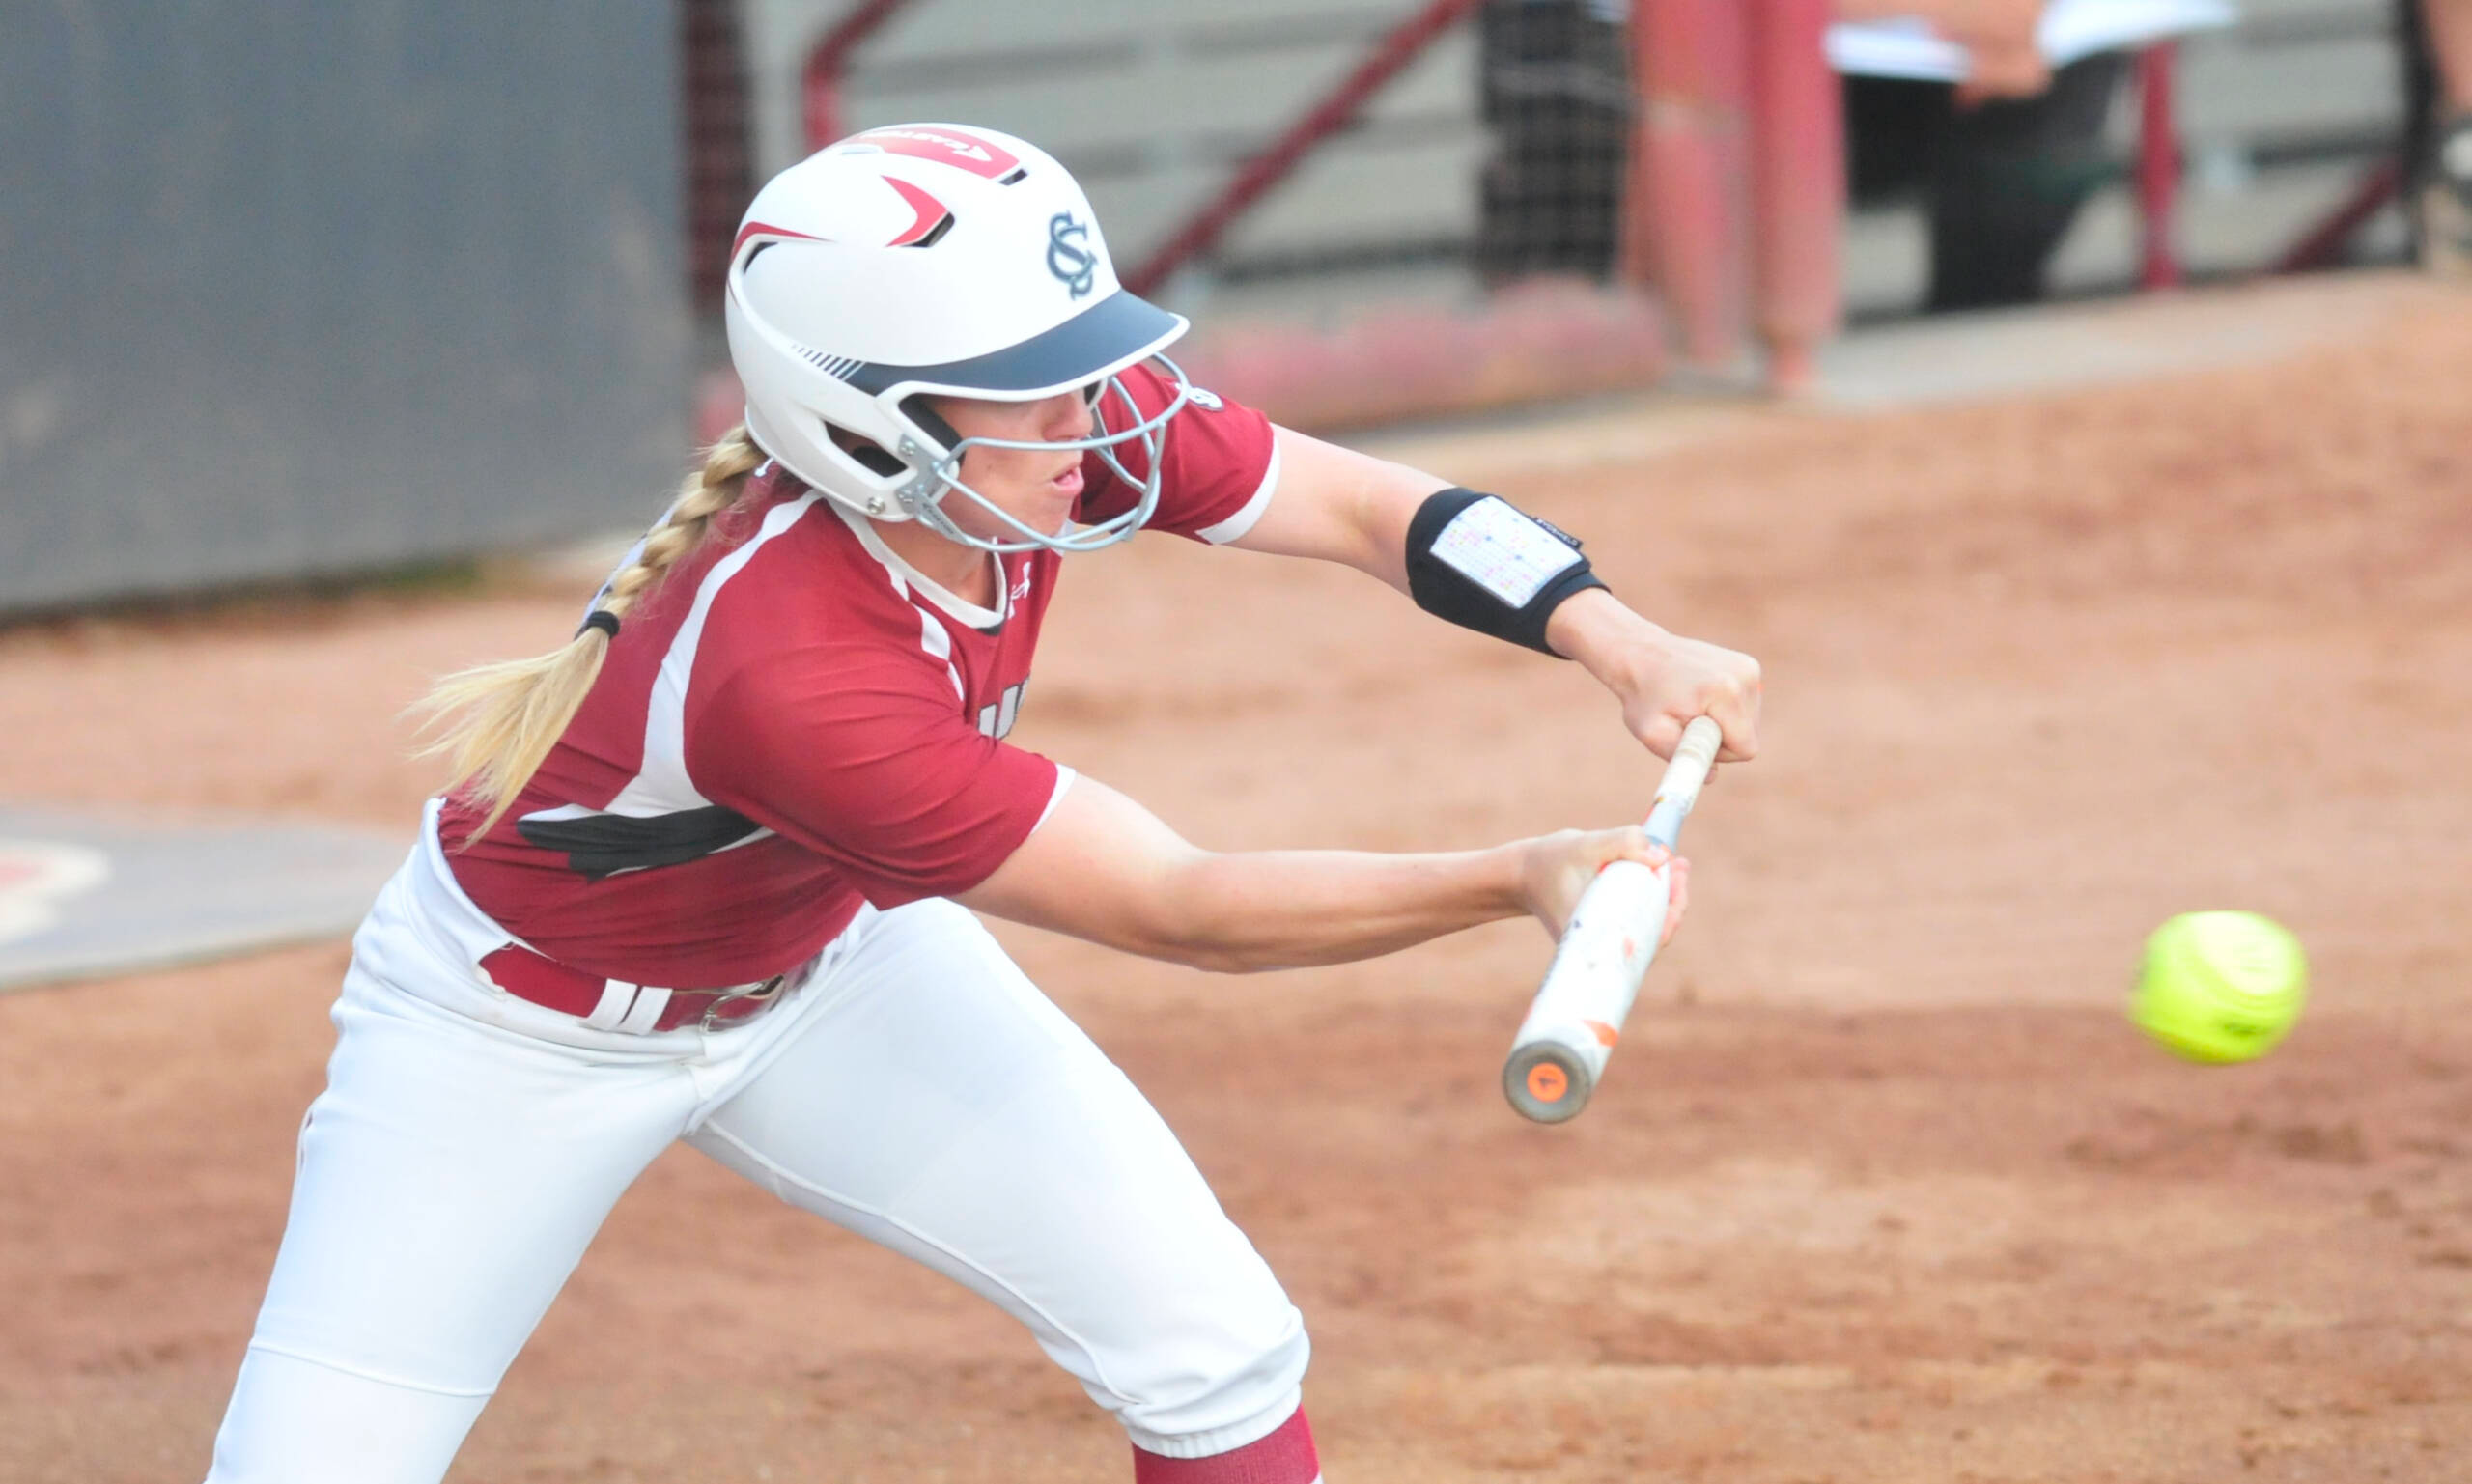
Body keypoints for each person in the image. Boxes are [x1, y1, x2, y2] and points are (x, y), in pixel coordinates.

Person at [199, 123, 1761, 1483]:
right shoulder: (790, 672)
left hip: (833, 961)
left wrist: (1620, 639)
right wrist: (1524, 876)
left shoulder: (1043, 450)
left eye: (1084, 365)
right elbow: (1183, 906)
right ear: (869, 422)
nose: (1099, 419)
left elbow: (1367, 506)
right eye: (1034, 390)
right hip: (512, 1043)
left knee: (1214, 1352)